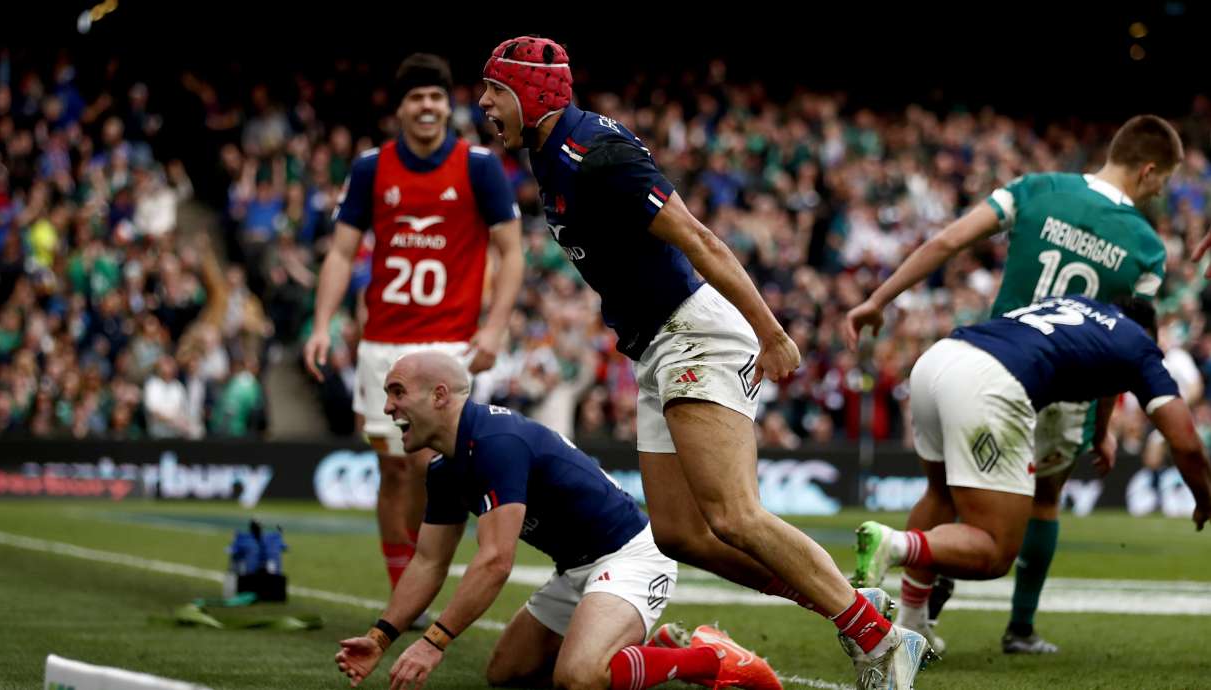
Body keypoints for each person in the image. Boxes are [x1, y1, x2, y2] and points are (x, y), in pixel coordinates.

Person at [478, 36, 928, 688]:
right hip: (658, 345)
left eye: (494, 90)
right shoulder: (547, 155)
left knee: (735, 515)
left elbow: (698, 238)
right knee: (681, 536)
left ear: (530, 92)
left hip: (696, 333)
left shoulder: (597, 152)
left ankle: (882, 640)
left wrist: (770, 333)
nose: (485, 104)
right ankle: (854, 605)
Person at [844, 114, 1184, 654]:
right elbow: (1122, 342)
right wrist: (1102, 424)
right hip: (1061, 391)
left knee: (943, 492)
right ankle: (1019, 627)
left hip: (991, 358)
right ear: (1148, 171)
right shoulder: (1147, 249)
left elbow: (948, 240)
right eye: (1162, 182)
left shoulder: (1036, 188)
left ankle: (912, 615)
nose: (1159, 193)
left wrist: (878, 299)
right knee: (1043, 503)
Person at [334, 351, 782, 690]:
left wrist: (434, 641)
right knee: (505, 673)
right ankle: (649, 646)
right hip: (577, 569)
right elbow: (428, 562)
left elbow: (494, 562)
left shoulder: (496, 442)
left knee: (580, 677)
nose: (388, 407)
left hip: (631, 557)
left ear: (439, 396)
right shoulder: (445, 467)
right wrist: (379, 637)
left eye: (397, 392)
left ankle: (708, 660)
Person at [850, 296, 1211, 657]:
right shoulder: (1137, 343)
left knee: (939, 494)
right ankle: (895, 544)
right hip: (989, 382)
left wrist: (1100, 432)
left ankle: (911, 622)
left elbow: (1108, 381)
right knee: (995, 549)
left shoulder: (1079, 307)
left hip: (939, 359)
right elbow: (1186, 442)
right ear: (1149, 332)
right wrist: (1205, 497)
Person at [303, 53, 524, 601]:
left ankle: (426, 581)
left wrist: (495, 329)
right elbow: (342, 252)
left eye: (436, 96)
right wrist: (321, 324)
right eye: (416, 97)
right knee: (394, 471)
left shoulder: (478, 166)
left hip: (450, 343)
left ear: (448, 106)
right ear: (399, 109)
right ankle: (402, 583)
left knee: (434, 468)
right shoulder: (370, 168)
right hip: (382, 343)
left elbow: (512, 252)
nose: (427, 106)